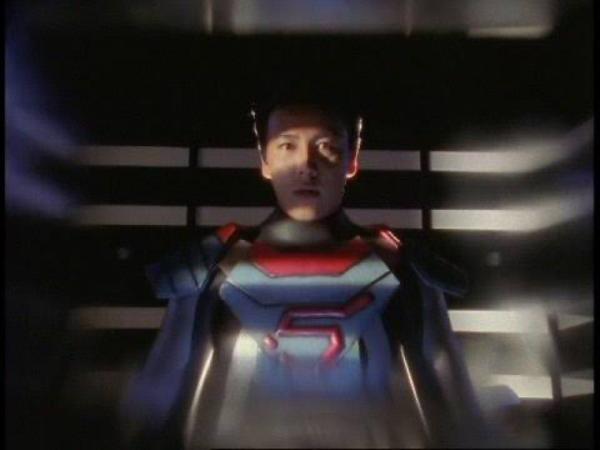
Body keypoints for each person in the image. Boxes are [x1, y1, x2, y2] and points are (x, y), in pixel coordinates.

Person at [121, 85, 489, 448]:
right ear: (265, 159)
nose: (306, 166)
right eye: (287, 146)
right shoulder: (211, 266)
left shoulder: (401, 266)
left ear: (351, 158)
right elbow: (160, 392)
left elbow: (452, 395)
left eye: (325, 147)